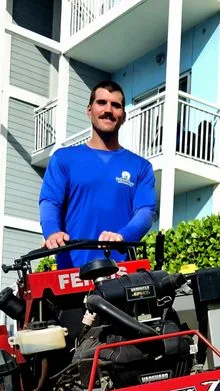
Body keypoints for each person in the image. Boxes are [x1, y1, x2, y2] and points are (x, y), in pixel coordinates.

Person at [39, 80, 156, 270]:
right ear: (89, 110)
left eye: (115, 105)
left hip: (121, 275)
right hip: (72, 274)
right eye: (101, 103)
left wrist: (122, 236)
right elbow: (50, 202)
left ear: (123, 116)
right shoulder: (64, 159)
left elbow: (145, 211)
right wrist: (52, 232)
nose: (108, 110)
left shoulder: (141, 167)